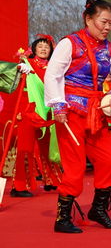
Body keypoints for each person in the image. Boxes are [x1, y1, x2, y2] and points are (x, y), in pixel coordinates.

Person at [45, 0, 111, 233]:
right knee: (74, 166)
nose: (107, 27)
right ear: (88, 19)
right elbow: (52, 75)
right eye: (103, 22)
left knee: (109, 160)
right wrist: (58, 106)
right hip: (70, 112)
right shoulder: (69, 43)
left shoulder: (110, 49)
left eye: (110, 23)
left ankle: (98, 209)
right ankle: (62, 218)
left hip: (96, 111)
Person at [11, 35, 62, 197]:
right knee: (25, 148)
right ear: (33, 49)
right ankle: (19, 186)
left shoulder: (54, 68)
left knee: (49, 147)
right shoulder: (26, 63)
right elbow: (11, 76)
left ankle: (51, 180)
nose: (43, 49)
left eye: (46, 46)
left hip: (48, 111)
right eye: (40, 46)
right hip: (28, 110)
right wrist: (19, 68)